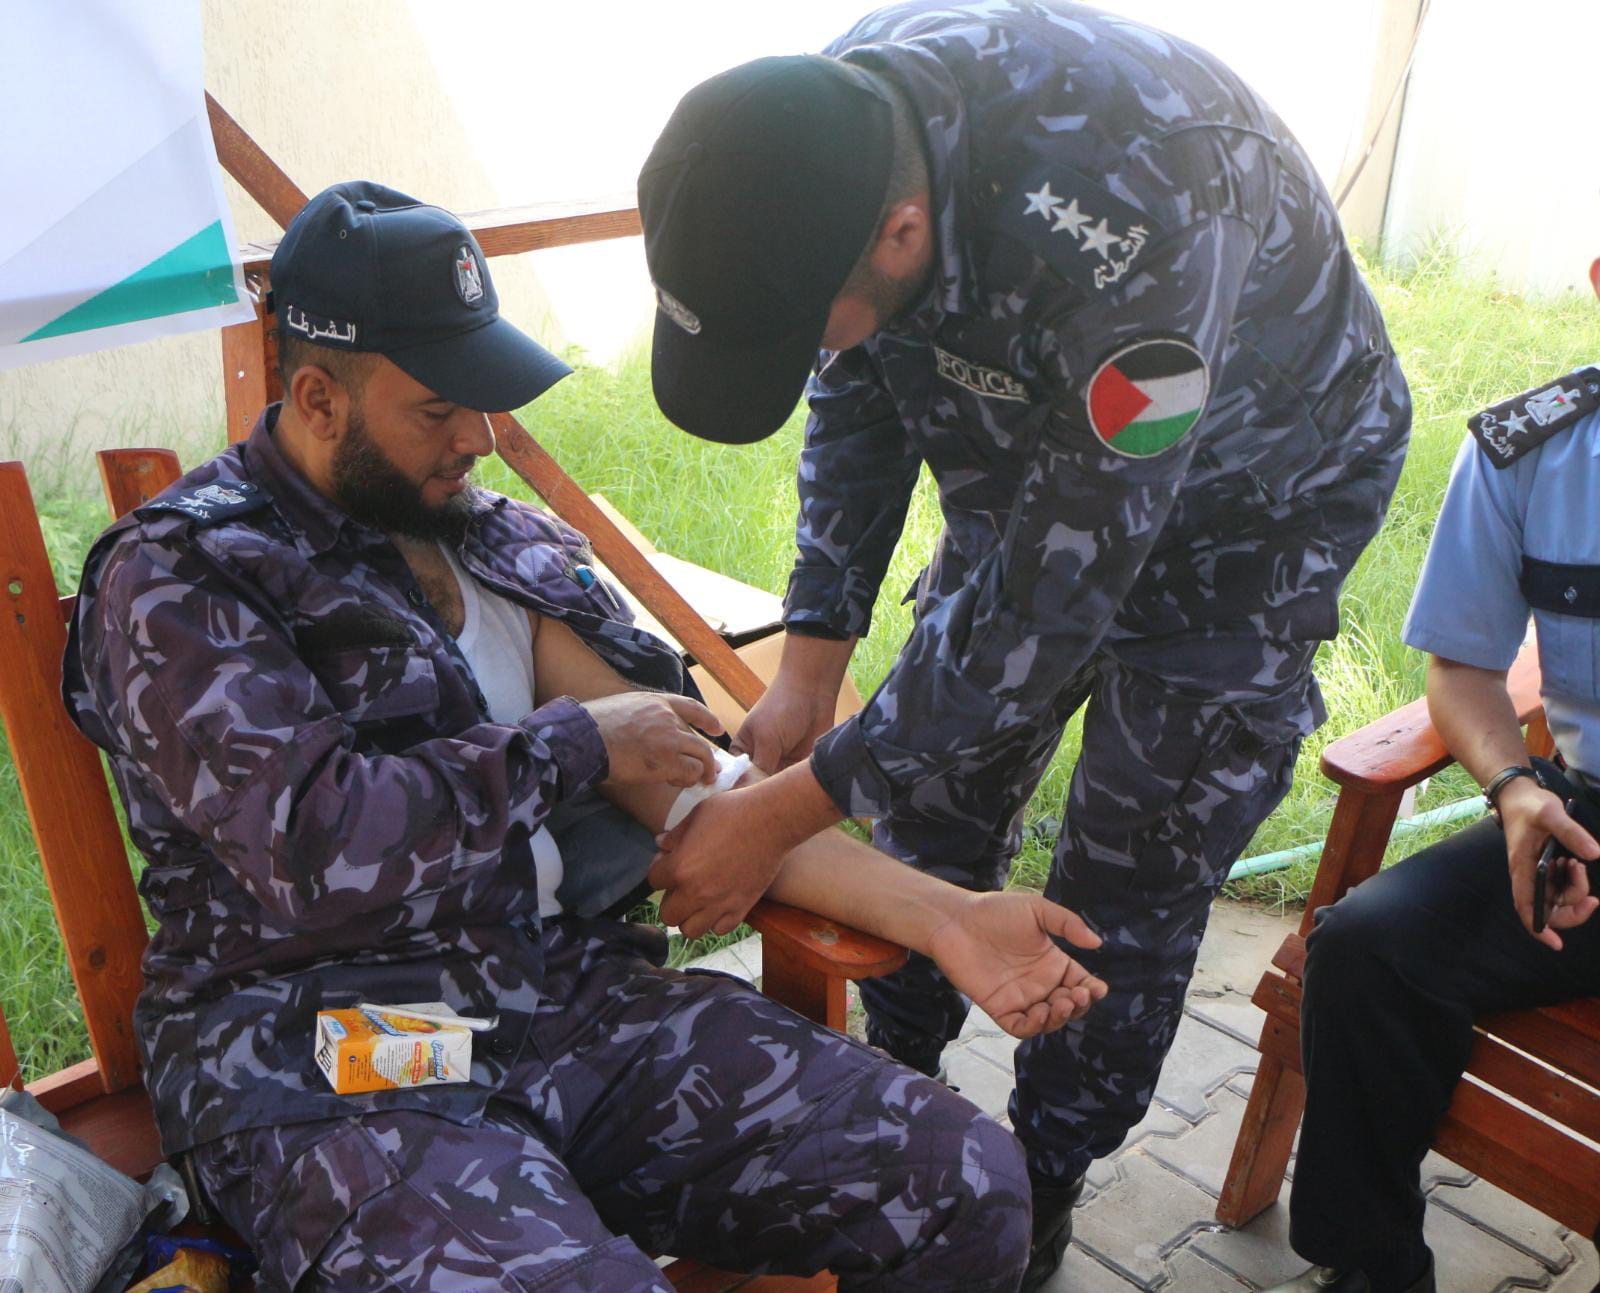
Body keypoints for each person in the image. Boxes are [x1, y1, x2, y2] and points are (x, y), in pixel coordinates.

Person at [62, 181, 1112, 1293]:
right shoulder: (182, 577)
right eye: (438, 409)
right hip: (327, 1056)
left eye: (484, 398)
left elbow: (701, 794)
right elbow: (313, 850)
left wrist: (948, 918)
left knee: (966, 1183)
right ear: (319, 398)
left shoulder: (494, 543)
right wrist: (569, 744)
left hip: (556, 1006)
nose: (478, 438)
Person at [635, 4, 1412, 1284]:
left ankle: (1041, 1178)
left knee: (1122, 884)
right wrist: (813, 665)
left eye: (811, 319)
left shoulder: (1150, 199)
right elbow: (857, 387)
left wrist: (780, 814)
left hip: (1249, 516)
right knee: (926, 811)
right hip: (1039, 482)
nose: (815, 344)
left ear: (901, 232)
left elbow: (1055, 601)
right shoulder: (826, 131)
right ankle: (902, 1088)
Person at [1263, 296, 1600, 1291]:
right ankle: (1373, 1267)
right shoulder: (1532, 451)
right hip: (1583, 824)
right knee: (1366, 951)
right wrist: (1514, 790)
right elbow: (1462, 668)